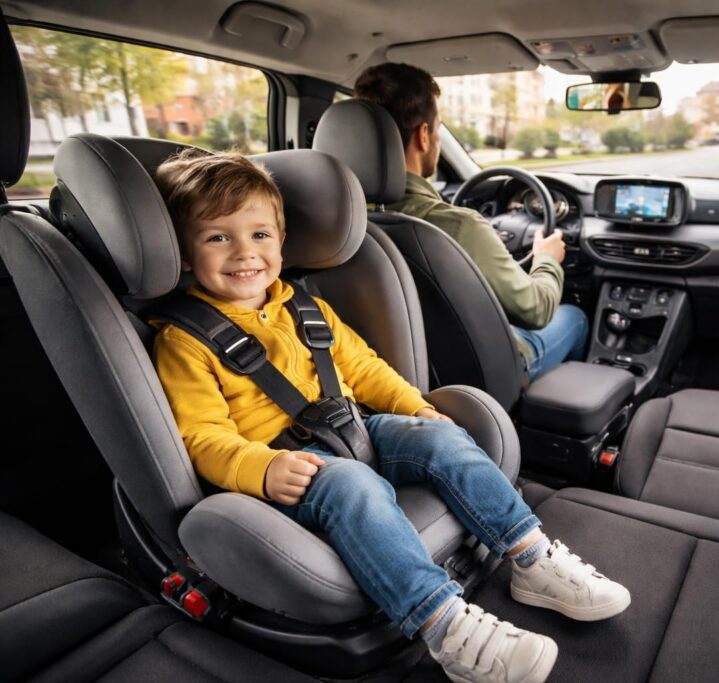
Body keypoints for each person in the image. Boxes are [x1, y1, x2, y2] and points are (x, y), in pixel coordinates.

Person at [150, 150, 630, 683]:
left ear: (281, 240)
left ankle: (530, 554)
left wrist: (417, 409)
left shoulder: (305, 308)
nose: (245, 252)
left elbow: (367, 370)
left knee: (440, 438)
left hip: (352, 426)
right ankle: (444, 625)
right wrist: (259, 468)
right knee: (354, 484)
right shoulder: (184, 341)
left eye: (260, 235)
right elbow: (201, 434)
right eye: (218, 237)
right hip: (289, 464)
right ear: (186, 254)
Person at [353, 63, 588, 380]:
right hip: (479, 375)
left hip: (383, 372)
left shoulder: (337, 221)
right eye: (437, 129)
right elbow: (536, 309)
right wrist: (547, 259)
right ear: (424, 136)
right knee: (574, 316)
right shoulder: (461, 227)